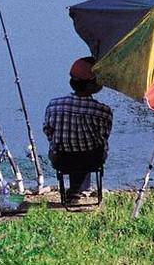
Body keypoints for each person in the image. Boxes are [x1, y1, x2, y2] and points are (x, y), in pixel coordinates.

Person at [43, 56, 113, 201]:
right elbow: (104, 137)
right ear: (91, 85)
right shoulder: (103, 111)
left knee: (74, 149)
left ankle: (76, 189)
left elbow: (48, 132)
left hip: (61, 160)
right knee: (89, 149)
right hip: (92, 160)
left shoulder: (53, 105)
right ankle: (78, 189)